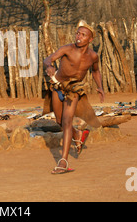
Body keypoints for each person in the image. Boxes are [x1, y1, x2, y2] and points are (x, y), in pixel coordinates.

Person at [43, 20, 105, 174]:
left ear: (90, 40)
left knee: (67, 120)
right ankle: (77, 133)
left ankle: (63, 161)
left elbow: (95, 71)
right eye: (78, 33)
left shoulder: (93, 56)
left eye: (83, 35)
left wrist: (100, 86)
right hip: (58, 86)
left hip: (74, 89)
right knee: (59, 121)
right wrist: (49, 66)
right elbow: (47, 59)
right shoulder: (67, 49)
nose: (79, 36)